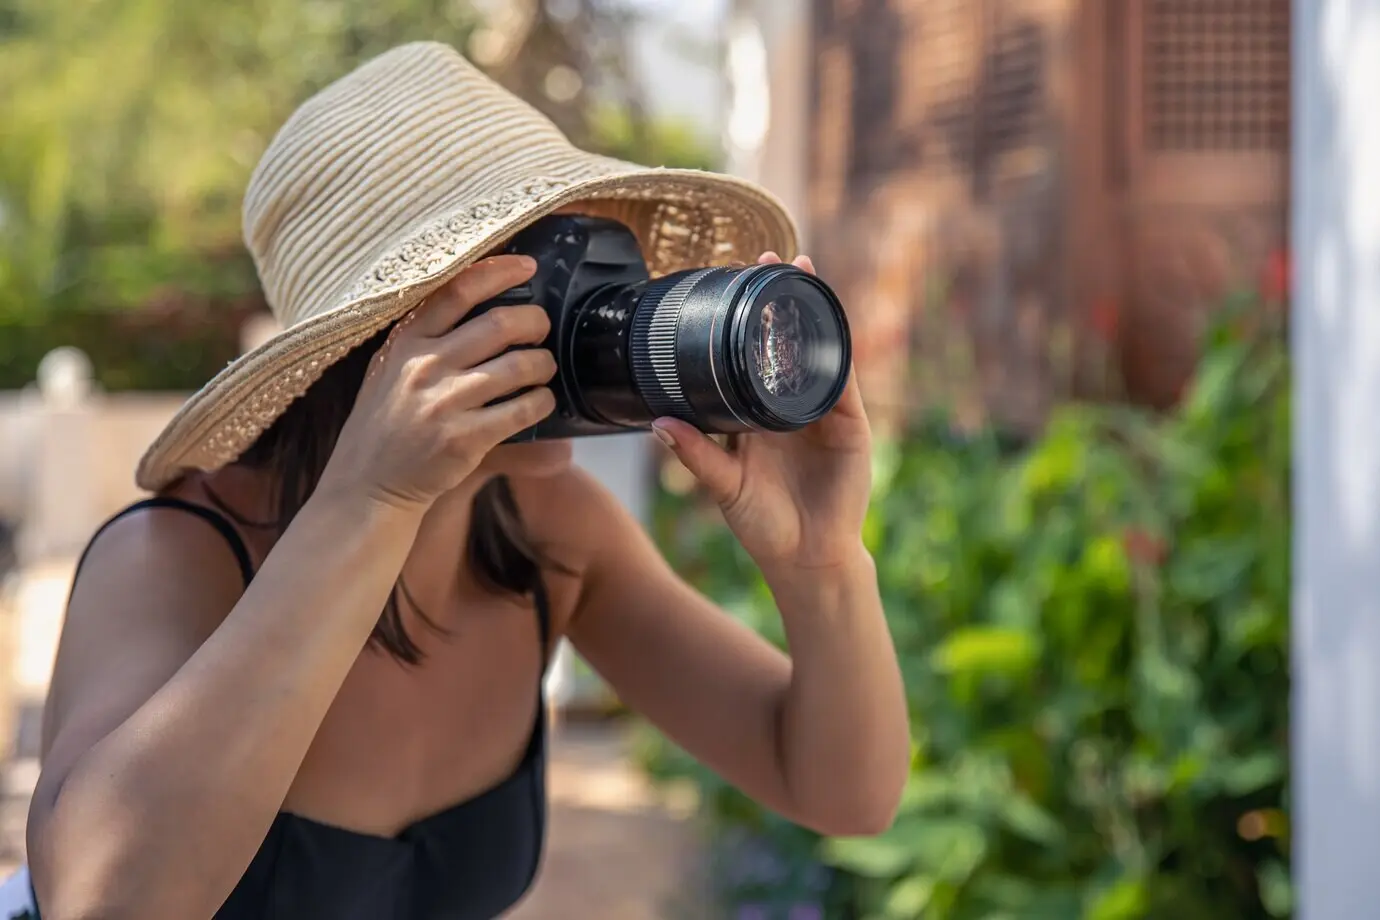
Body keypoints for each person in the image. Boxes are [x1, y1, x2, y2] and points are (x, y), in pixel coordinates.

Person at [20, 42, 909, 920]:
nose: (586, 312)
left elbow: (843, 796)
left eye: (601, 260)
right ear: (379, 336)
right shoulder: (173, 558)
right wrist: (375, 501)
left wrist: (821, 566)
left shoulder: (550, 533)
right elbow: (101, 901)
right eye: (543, 276)